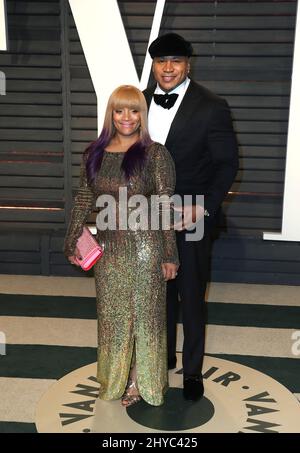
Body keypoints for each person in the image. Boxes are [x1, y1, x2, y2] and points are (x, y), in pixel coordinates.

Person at [64, 85, 179, 407]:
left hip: (146, 248)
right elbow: (85, 197)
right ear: (111, 114)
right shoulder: (94, 152)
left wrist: (170, 253)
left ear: (142, 115)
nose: (126, 118)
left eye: (133, 110)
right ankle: (113, 381)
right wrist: (73, 238)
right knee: (112, 317)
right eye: (119, 110)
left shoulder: (155, 154)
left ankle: (142, 384)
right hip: (109, 248)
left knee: (146, 317)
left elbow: (162, 205)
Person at [144, 33, 239, 401]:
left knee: (191, 294)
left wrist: (204, 207)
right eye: (161, 61)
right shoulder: (137, 101)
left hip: (192, 211)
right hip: (147, 214)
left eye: (176, 61)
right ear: (153, 65)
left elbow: (227, 164)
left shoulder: (212, 105)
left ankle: (193, 371)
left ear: (188, 65)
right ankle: (165, 355)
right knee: (158, 291)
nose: (168, 68)